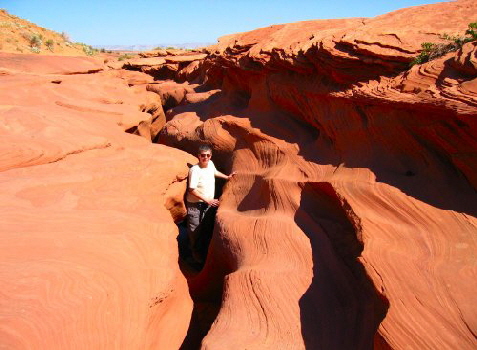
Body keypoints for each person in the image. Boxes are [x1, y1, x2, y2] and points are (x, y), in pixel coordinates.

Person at [186, 144, 236, 264]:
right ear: (199, 156)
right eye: (203, 155)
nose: (206, 158)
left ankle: (204, 251)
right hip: (196, 205)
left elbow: (215, 172)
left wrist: (227, 177)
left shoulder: (211, 164)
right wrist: (207, 200)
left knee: (206, 227)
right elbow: (191, 189)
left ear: (210, 156)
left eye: (208, 155)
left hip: (208, 204)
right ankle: (194, 255)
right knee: (195, 230)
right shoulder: (195, 170)